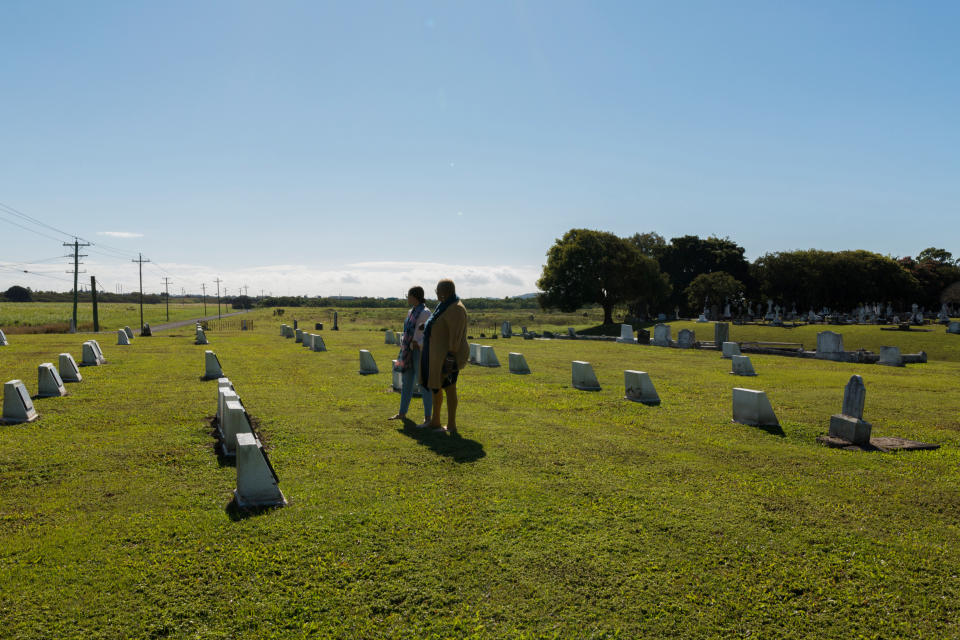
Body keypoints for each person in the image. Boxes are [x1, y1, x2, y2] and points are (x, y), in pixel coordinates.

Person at [420, 278, 469, 435]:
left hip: (448, 357)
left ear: (445, 291)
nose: (436, 294)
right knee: (436, 388)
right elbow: (437, 322)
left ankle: (451, 424)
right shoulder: (444, 304)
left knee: (449, 388)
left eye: (438, 291)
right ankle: (435, 421)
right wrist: (426, 326)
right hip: (435, 355)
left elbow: (456, 336)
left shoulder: (456, 308)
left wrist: (450, 358)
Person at [388, 286, 432, 423]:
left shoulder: (425, 312)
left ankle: (428, 417)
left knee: (422, 383)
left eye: (409, 295)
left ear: (415, 296)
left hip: (419, 351)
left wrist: (418, 343)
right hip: (407, 351)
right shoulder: (410, 311)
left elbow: (428, 334)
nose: (407, 297)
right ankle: (402, 413)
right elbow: (407, 331)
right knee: (406, 382)